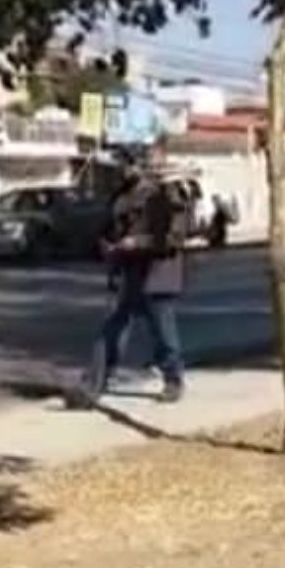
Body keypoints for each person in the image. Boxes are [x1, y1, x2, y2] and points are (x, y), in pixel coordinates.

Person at [76, 171, 191, 407]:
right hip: (127, 273)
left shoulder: (166, 195)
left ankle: (173, 379)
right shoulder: (121, 195)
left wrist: (138, 242)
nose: (126, 169)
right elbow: (108, 229)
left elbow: (174, 239)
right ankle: (94, 385)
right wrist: (106, 245)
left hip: (156, 274)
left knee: (162, 332)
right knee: (111, 330)